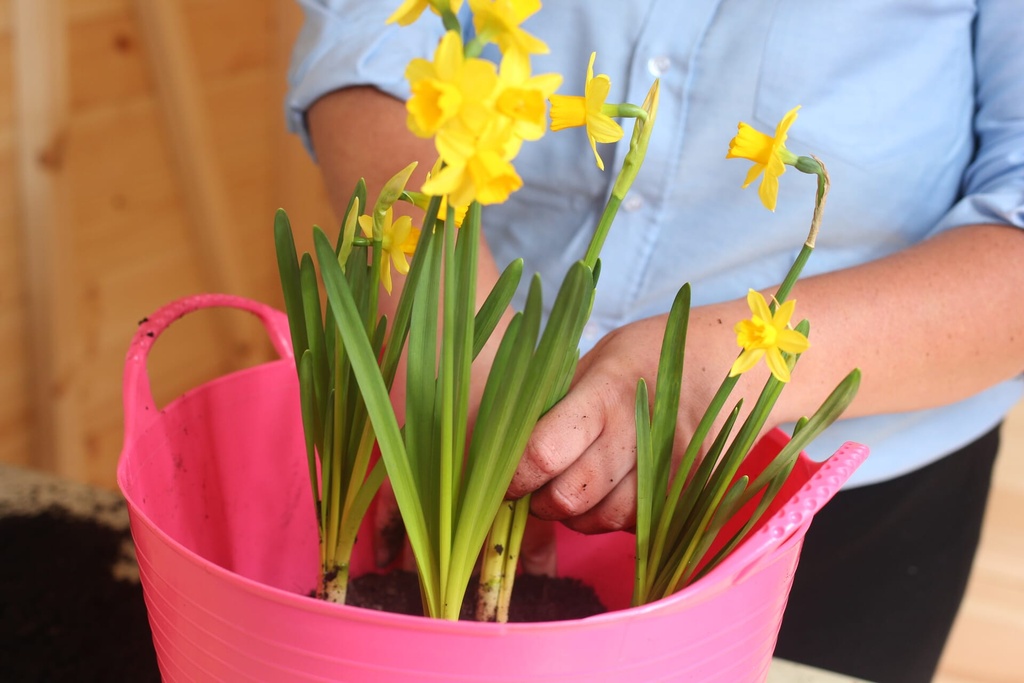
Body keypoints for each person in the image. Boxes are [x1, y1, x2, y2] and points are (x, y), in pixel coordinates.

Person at [285, 2, 1024, 681]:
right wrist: (453, 333)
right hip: (445, 407)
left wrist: (711, 369)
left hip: (841, 500)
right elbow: (369, 29)